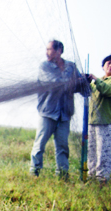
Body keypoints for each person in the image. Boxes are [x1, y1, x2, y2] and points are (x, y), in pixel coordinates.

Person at [30, 40, 89, 178]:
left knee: (62, 146)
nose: (46, 52)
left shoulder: (71, 66)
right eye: (47, 49)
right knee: (40, 144)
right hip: (48, 111)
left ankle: (62, 174)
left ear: (59, 51)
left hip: (65, 114)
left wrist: (85, 81)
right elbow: (53, 83)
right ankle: (34, 171)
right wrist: (75, 81)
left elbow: (79, 85)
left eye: (49, 49)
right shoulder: (45, 66)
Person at [87, 55, 111, 184]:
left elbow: (106, 90)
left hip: (105, 123)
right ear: (103, 66)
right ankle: (91, 178)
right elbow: (86, 92)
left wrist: (94, 79)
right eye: (109, 63)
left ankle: (103, 179)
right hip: (92, 122)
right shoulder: (97, 82)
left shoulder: (104, 82)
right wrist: (84, 81)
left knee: (103, 153)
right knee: (92, 152)